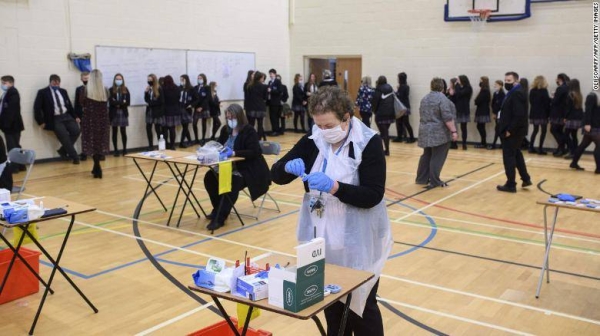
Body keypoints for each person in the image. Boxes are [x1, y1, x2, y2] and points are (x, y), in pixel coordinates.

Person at [270, 86, 391, 336]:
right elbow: (276, 174)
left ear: (347, 117)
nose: (324, 131)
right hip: (323, 237)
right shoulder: (315, 139)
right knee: (331, 304)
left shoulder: (368, 142)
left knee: (362, 306)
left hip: (360, 238)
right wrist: (285, 168)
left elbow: (372, 195)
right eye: (319, 125)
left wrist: (335, 187)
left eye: (329, 125)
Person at [204, 104, 271, 230]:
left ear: (239, 117)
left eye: (232, 117)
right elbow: (218, 145)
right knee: (209, 178)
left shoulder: (249, 131)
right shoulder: (226, 130)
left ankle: (220, 218)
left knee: (231, 182)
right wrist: (208, 150)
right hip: (226, 167)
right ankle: (218, 209)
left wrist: (234, 153)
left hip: (246, 169)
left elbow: (254, 151)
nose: (230, 120)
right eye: (228, 117)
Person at [416, 78, 459, 188]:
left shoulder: (425, 98)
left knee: (426, 155)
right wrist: (454, 131)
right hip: (439, 133)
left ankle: (421, 179)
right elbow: (447, 118)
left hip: (425, 131)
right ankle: (435, 181)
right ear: (443, 87)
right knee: (438, 156)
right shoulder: (443, 99)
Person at [496, 72, 532, 193]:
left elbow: (519, 115)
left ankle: (511, 184)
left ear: (516, 81)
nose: (506, 83)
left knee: (509, 157)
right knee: (516, 154)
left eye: (509, 81)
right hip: (515, 130)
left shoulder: (517, 93)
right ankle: (526, 178)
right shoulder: (515, 92)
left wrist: (509, 130)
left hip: (513, 131)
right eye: (505, 80)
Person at [34, 74, 81, 164]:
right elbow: (37, 108)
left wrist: (75, 116)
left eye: (57, 84)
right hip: (55, 118)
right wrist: (40, 122)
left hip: (66, 115)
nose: (56, 86)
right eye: (54, 84)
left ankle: (63, 150)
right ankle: (75, 157)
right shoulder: (42, 92)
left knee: (76, 131)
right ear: (50, 82)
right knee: (64, 137)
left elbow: (69, 105)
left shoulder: (63, 91)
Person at [81, 69, 110, 178]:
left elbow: (82, 103)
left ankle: (97, 166)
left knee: (92, 144)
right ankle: (96, 167)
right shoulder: (105, 90)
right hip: (102, 121)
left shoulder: (85, 91)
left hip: (90, 120)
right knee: (99, 144)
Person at [570, 92, 600, 173]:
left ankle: (574, 163)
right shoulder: (592, 96)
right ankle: (598, 169)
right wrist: (587, 123)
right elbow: (588, 110)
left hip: (596, 124)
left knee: (583, 144)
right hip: (592, 125)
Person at [0, 75, 25, 173]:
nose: (2, 85)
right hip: (10, 125)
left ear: (11, 83)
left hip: (12, 125)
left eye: (4, 83)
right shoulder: (6, 93)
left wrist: (6, 125)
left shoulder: (13, 93)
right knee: (16, 146)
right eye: (2, 83)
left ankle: (14, 167)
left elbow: (11, 111)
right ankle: (21, 165)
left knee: (12, 147)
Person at [372, 76, 395, 156]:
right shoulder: (391, 89)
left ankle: (385, 150)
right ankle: (385, 150)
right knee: (385, 132)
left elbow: (375, 102)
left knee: (383, 133)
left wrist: (374, 111)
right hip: (390, 114)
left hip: (381, 114)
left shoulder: (378, 90)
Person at [528, 76, 551, 155]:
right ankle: (540, 148)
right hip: (542, 113)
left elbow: (531, 102)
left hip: (534, 113)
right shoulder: (544, 91)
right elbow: (547, 103)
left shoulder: (532, 91)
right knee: (543, 131)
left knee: (535, 130)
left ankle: (531, 147)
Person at [108, 73, 130, 156]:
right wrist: (121, 102)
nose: (118, 80)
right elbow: (111, 101)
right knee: (114, 131)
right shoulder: (110, 90)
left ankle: (124, 149)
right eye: (117, 79)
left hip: (123, 112)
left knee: (123, 131)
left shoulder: (125, 89)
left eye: (120, 79)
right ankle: (116, 150)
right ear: (114, 80)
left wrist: (117, 103)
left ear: (122, 80)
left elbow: (127, 102)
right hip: (113, 113)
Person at [550, 73, 570, 157]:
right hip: (563, 113)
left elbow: (555, 101)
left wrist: (553, 96)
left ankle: (562, 148)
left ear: (559, 79)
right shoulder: (568, 87)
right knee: (559, 131)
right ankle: (561, 148)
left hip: (557, 113)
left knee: (554, 130)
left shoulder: (560, 88)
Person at [563, 79, 584, 159]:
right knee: (574, 135)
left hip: (571, 118)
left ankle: (572, 151)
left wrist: (565, 117)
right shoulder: (579, 95)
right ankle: (575, 152)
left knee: (566, 135)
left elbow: (568, 108)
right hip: (578, 118)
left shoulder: (570, 95)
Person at [246, 71, 268, 141]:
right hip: (260, 107)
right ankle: (259, 139)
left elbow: (248, 97)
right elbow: (265, 97)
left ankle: (251, 138)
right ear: (260, 78)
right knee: (260, 125)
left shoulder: (249, 86)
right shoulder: (264, 86)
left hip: (252, 107)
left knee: (251, 124)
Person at [144, 74, 164, 150]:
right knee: (148, 128)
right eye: (148, 80)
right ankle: (150, 145)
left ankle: (160, 146)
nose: (149, 81)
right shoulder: (149, 88)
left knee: (158, 129)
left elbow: (161, 101)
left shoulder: (159, 88)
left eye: (150, 80)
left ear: (154, 80)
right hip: (149, 111)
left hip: (157, 111)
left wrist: (151, 103)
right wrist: (146, 92)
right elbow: (146, 100)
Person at [393, 72, 415, 143]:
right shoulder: (405, 86)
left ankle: (411, 138)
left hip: (403, 107)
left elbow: (400, 96)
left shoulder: (403, 87)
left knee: (405, 123)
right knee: (400, 122)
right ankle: (400, 137)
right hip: (404, 107)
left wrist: (395, 92)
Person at [162, 75, 181, 150]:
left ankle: (166, 144)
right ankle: (173, 145)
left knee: (165, 129)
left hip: (166, 111)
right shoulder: (177, 88)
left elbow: (163, 100)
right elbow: (179, 98)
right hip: (175, 110)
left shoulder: (163, 88)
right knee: (172, 129)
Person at [454, 75, 473, 150]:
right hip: (457, 109)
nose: (457, 81)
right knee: (454, 126)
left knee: (463, 128)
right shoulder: (458, 87)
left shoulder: (468, 88)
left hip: (464, 110)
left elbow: (459, 94)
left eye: (458, 79)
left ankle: (464, 144)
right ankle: (454, 143)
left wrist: (456, 86)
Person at [74, 72, 89, 161]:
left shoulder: (94, 89)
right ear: (81, 79)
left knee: (94, 134)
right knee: (84, 135)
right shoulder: (79, 89)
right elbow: (76, 103)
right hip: (83, 115)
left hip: (93, 115)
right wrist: (76, 116)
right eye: (84, 79)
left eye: (87, 78)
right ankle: (85, 152)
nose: (86, 80)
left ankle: (97, 153)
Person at [179, 74, 197, 148]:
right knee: (184, 126)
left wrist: (192, 105)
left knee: (186, 126)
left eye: (183, 80)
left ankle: (182, 142)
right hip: (180, 108)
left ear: (186, 80)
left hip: (187, 109)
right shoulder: (179, 88)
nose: (181, 81)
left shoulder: (191, 89)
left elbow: (196, 99)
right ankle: (189, 140)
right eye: (180, 80)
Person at [474, 76, 491, 148]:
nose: (479, 82)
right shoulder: (485, 90)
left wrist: (476, 100)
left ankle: (483, 143)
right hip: (482, 110)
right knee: (480, 126)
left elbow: (478, 100)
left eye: (480, 81)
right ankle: (483, 142)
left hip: (482, 111)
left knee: (480, 126)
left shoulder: (485, 91)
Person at [193, 73, 210, 144]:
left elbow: (207, 98)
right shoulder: (195, 87)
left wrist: (201, 107)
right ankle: (196, 139)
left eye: (201, 78)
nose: (199, 79)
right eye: (198, 78)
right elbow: (194, 98)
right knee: (194, 123)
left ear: (204, 79)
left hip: (204, 108)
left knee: (204, 123)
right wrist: (195, 107)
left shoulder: (207, 87)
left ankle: (203, 139)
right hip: (196, 108)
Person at [488, 80, 505, 150]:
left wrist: (496, 112)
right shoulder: (495, 93)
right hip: (496, 113)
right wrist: (494, 112)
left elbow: (500, 105)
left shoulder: (502, 94)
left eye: (496, 85)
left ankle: (494, 144)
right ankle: (502, 144)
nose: (495, 86)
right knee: (498, 129)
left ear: (500, 86)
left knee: (497, 129)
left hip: (500, 113)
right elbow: (493, 103)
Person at [267, 69, 283, 136]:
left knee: (275, 117)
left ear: (275, 74)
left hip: (276, 102)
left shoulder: (278, 81)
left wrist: (271, 90)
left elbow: (279, 91)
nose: (271, 75)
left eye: (272, 74)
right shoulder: (270, 82)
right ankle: (273, 130)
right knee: (271, 116)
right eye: (270, 74)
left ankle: (276, 130)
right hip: (271, 102)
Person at [447, 77, 459, 149]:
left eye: (451, 83)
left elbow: (454, 99)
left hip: (453, 110)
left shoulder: (456, 91)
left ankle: (454, 143)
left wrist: (451, 93)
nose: (450, 84)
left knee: (454, 126)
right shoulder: (449, 90)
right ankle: (452, 142)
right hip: (449, 110)